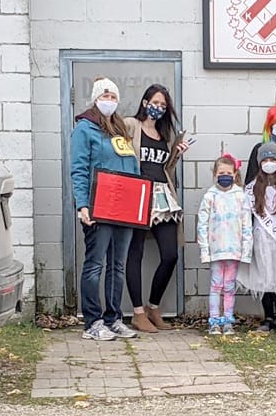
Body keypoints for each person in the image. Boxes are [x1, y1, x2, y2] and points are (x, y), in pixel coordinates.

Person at [70, 76, 139, 341]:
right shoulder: (85, 129)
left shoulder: (119, 128)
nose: (109, 101)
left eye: (113, 97)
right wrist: (82, 204)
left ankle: (114, 318)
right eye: (105, 96)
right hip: (98, 206)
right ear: (95, 99)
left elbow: (132, 167)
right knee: (95, 264)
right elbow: (79, 170)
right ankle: (92, 321)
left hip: (124, 208)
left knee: (117, 265)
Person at [123, 83, 191, 333]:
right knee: (135, 253)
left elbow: (166, 169)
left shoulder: (165, 134)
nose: (159, 108)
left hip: (162, 196)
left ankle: (154, 306)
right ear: (144, 102)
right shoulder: (131, 125)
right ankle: (137, 313)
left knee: (170, 254)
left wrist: (176, 154)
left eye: (163, 105)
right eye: (155, 103)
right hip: (138, 195)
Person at [237, 142, 276, 334]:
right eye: (265, 160)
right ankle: (267, 316)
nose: (269, 163)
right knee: (264, 277)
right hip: (261, 238)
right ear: (259, 162)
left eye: (273, 159)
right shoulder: (252, 188)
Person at [197, 154, 253, 336]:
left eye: (228, 172)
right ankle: (214, 320)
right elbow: (202, 225)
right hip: (216, 251)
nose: (225, 175)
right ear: (215, 174)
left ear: (235, 174)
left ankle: (228, 320)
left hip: (234, 251)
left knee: (229, 286)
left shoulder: (241, 197)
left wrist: (246, 251)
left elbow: (247, 225)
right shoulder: (209, 197)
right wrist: (205, 250)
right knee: (215, 285)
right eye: (221, 172)